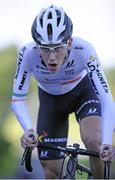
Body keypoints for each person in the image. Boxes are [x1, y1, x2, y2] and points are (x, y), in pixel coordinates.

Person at [11, 4, 115, 179]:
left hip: (82, 93)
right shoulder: (27, 53)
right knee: (51, 172)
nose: (51, 56)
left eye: (57, 48)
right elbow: (18, 99)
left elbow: (106, 99)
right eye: (44, 48)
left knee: (94, 142)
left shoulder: (84, 50)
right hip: (51, 102)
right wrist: (28, 130)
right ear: (37, 45)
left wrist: (106, 143)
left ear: (69, 42)